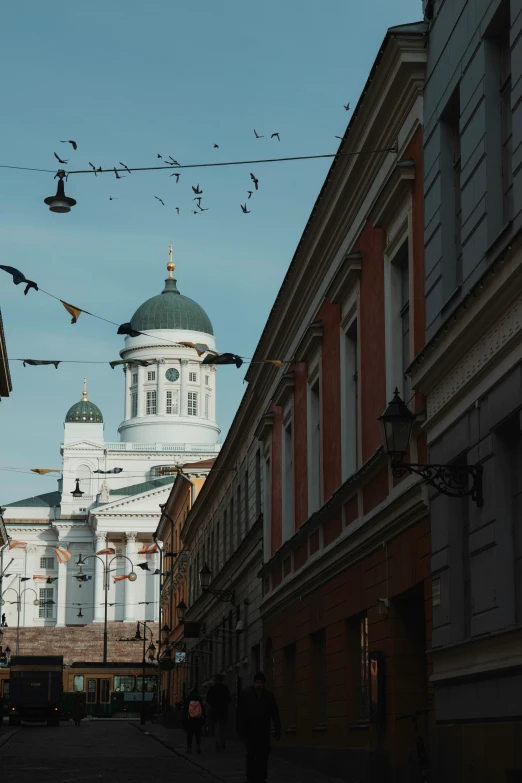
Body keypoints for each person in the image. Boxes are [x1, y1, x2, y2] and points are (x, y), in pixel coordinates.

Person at [237, 671, 281, 783]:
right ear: (254, 683)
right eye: (257, 682)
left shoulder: (269, 696)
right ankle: (251, 776)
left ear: (264, 683)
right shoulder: (246, 694)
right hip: (250, 730)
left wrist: (277, 728)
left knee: (263, 755)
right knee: (251, 754)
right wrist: (240, 729)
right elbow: (240, 713)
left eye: (261, 683)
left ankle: (261, 776)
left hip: (263, 731)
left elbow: (274, 713)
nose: (259, 685)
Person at [206, 674, 231, 751]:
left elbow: (208, 699)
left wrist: (212, 705)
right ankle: (223, 743)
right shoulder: (225, 688)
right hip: (223, 710)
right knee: (223, 727)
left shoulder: (212, 688)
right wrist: (224, 705)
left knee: (217, 727)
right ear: (221, 680)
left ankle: (217, 743)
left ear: (215, 680)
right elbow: (229, 699)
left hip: (215, 710)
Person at [182, 687, 204, 754]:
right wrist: (204, 718)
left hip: (190, 720)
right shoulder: (199, 699)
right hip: (198, 719)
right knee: (197, 734)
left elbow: (185, 711)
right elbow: (202, 709)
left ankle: (189, 749)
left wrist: (184, 720)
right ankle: (198, 747)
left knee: (190, 734)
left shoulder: (188, 699)